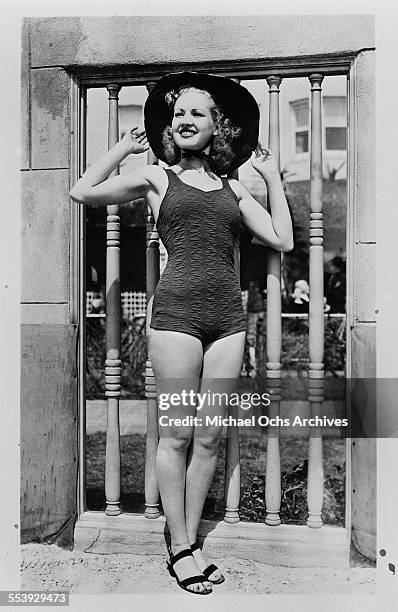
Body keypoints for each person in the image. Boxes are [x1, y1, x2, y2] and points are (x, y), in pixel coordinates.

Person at [70, 71, 293, 595]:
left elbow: (281, 238)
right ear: (171, 126)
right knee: (177, 435)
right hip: (175, 319)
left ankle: (188, 542)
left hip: (227, 321)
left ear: (218, 125)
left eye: (198, 112)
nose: (186, 120)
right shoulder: (155, 178)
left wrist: (275, 179)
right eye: (179, 114)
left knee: (211, 437)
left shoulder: (235, 187)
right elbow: (82, 191)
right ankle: (181, 546)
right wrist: (121, 148)